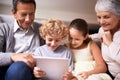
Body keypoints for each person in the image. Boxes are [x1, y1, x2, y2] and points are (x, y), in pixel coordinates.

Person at [0, 0, 44, 80]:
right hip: (13, 70)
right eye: (23, 14)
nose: (28, 19)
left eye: (31, 14)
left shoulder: (42, 29)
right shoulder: (3, 28)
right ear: (14, 13)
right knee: (18, 68)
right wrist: (14, 56)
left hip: (35, 70)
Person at [90, 0, 120, 80]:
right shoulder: (103, 30)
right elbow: (98, 36)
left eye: (106, 17)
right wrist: (84, 37)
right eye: (99, 17)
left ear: (119, 16)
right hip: (111, 75)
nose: (101, 22)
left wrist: (109, 43)